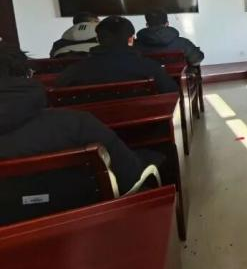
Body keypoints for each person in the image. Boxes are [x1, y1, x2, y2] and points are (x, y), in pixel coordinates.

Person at [0, 42, 160, 197]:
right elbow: (130, 177)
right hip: (94, 212)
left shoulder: (71, 75)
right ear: (26, 76)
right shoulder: (75, 124)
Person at [55, 16, 177, 93]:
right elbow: (172, 93)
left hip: (90, 127)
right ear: (131, 40)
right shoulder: (151, 68)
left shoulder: (74, 71)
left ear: (98, 39)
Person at [135, 10, 204, 65]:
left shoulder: (135, 46)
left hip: (148, 78)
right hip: (176, 78)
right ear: (167, 23)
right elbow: (196, 60)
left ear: (147, 25)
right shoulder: (183, 43)